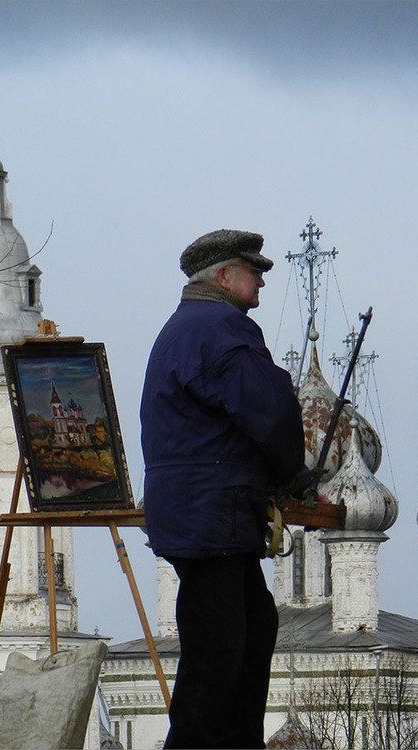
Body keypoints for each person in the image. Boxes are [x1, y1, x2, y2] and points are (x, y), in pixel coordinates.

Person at [140, 228, 306, 749]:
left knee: (250, 629)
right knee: (219, 652)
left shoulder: (186, 327)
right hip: (213, 507)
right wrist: (293, 476)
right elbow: (268, 409)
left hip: (200, 507)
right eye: (252, 269)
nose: (260, 279)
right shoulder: (222, 329)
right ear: (224, 276)